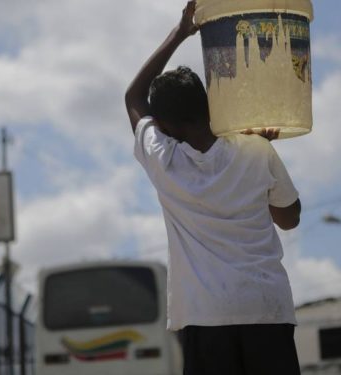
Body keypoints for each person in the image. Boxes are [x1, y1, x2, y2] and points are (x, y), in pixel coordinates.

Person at [124, 1, 302, 374]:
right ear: (209, 104)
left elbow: (133, 97)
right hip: (266, 308)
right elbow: (289, 219)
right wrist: (257, 166)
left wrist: (181, 31)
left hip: (205, 318)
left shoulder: (164, 160)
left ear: (166, 126)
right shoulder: (255, 146)